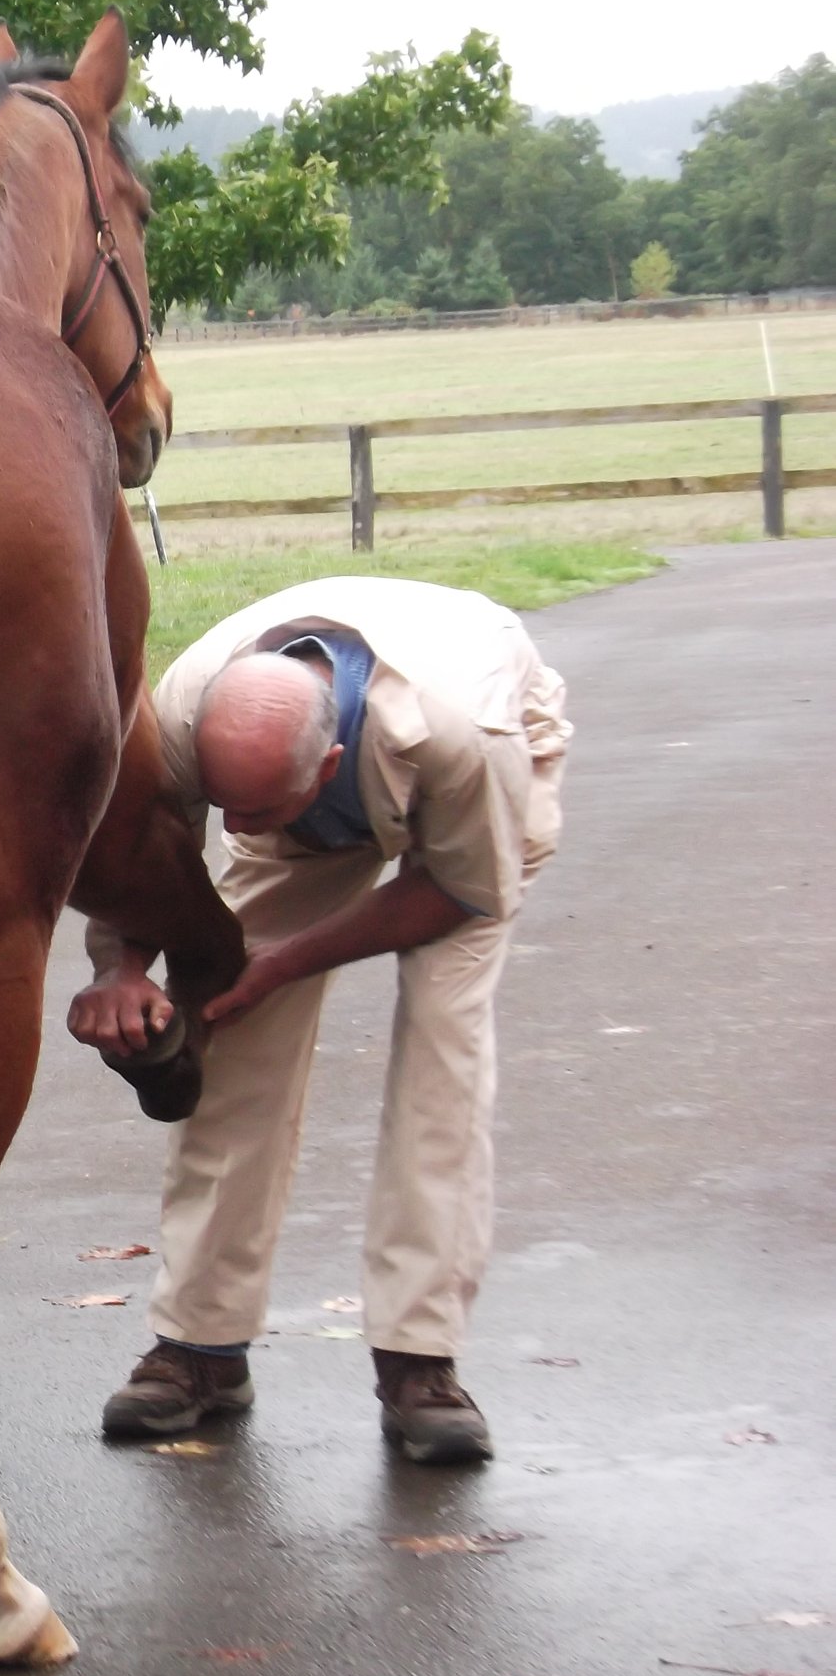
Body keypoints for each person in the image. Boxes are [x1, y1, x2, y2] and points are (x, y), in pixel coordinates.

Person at [68, 577, 570, 1465]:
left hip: (471, 790)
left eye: (249, 813)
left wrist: (284, 961)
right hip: (309, 793)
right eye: (225, 806)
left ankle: (421, 1359)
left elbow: (453, 890)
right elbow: (146, 859)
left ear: (329, 767)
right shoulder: (188, 714)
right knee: (236, 1037)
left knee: (441, 1064)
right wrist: (123, 970)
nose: (233, 825)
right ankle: (200, 1346)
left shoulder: (465, 732)